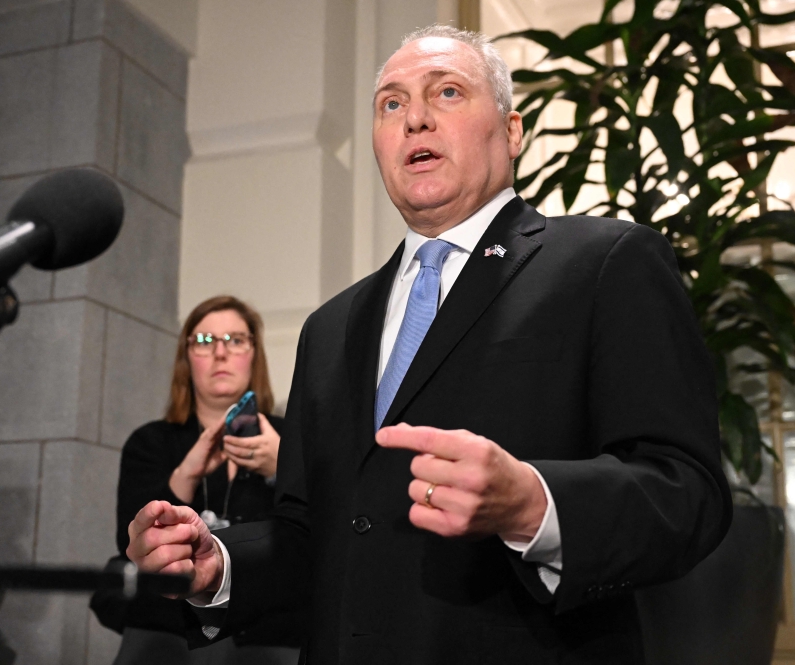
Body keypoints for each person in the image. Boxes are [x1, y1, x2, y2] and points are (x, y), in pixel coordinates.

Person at [126, 25, 733, 664]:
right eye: (391, 103)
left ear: (512, 131)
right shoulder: (330, 328)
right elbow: (313, 533)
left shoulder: (605, 263)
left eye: (446, 92)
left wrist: (535, 503)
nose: (415, 118)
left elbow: (686, 493)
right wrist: (216, 565)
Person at [91, 295, 300, 664]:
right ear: (187, 358)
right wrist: (184, 475)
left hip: (271, 633)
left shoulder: (294, 438)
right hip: (166, 633)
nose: (221, 353)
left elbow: (318, 530)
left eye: (236, 340)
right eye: (205, 341)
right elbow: (131, 542)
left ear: (254, 353)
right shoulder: (152, 442)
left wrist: (282, 467)